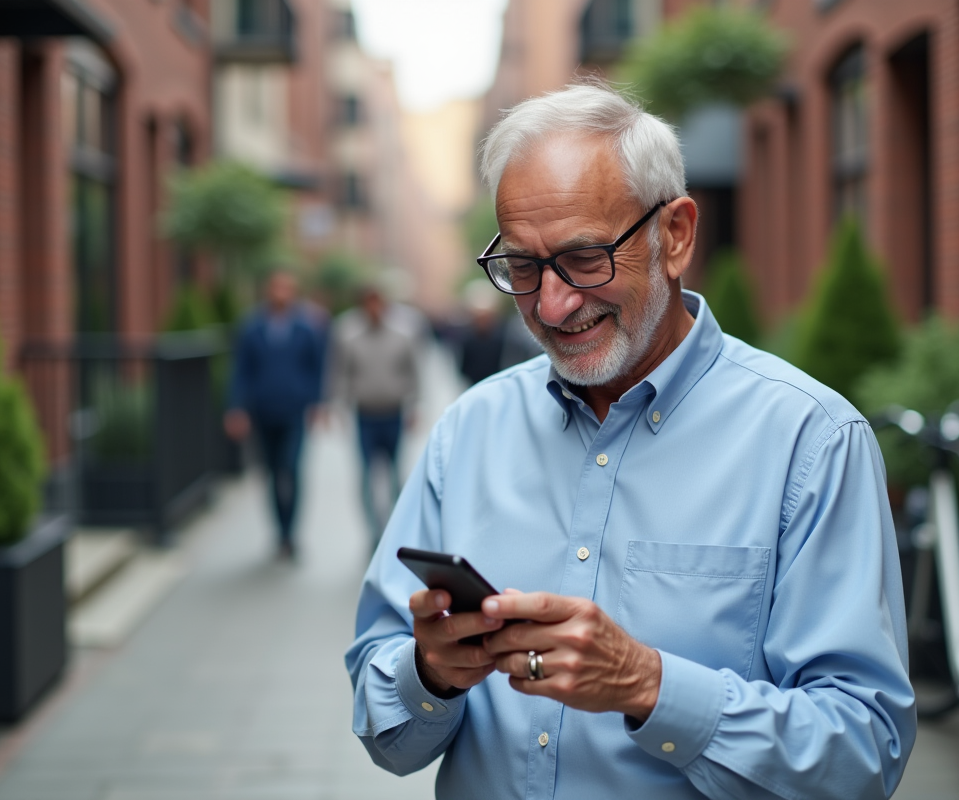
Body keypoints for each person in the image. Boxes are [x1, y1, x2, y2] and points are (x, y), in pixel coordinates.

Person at [346, 83, 916, 799]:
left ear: (674, 235)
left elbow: (863, 752)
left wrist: (650, 686)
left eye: (586, 258)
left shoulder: (810, 441)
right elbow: (383, 728)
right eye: (522, 268)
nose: (552, 305)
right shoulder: (468, 430)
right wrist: (429, 674)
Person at [225, 271, 326, 560]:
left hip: (294, 411)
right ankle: (279, 532)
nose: (281, 293)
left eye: (287, 288)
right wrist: (236, 408)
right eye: (276, 287)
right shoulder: (252, 327)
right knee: (270, 473)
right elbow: (241, 371)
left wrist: (317, 404)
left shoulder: (306, 328)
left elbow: (316, 369)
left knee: (291, 470)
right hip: (263, 411)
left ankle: (291, 533)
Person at [329, 285, 421, 550]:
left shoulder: (403, 332)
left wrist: (415, 405)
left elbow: (414, 371)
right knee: (367, 476)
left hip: (394, 412)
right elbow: (340, 372)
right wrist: (338, 405)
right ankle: (373, 532)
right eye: (369, 303)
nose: (374, 308)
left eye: (378, 302)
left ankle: (395, 529)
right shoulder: (347, 333)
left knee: (395, 476)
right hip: (364, 415)